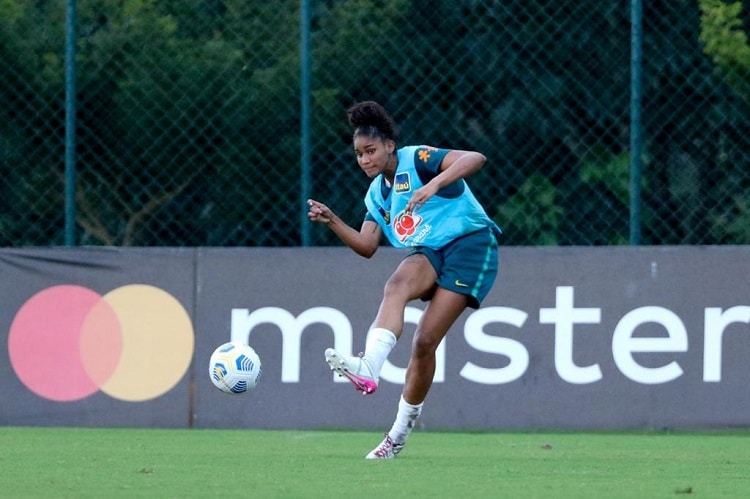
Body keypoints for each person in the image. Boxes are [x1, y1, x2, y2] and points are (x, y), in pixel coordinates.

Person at [307, 101, 502, 459]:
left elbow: (475, 157)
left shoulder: (417, 159)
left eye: (371, 151)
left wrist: (433, 185)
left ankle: (397, 434)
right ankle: (369, 367)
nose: (364, 159)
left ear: (389, 146)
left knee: (425, 341)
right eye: (358, 154)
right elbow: (367, 246)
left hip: (470, 245)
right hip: (431, 250)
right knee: (395, 285)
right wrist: (333, 220)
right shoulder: (376, 195)